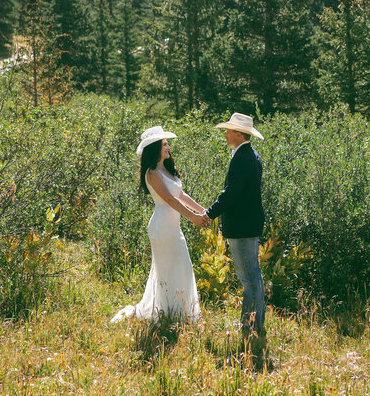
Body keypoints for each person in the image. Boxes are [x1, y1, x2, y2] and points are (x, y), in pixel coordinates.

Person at [111, 125, 208, 324]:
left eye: (167, 143)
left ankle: (179, 311)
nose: (168, 147)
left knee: (182, 264)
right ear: (155, 147)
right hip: (162, 226)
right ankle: (166, 313)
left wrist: (202, 210)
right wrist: (193, 217)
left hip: (173, 226)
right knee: (168, 268)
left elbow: (180, 195)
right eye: (164, 144)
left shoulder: (167, 169)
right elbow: (170, 200)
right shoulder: (152, 173)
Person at [202, 112, 266, 340]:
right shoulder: (251, 155)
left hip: (242, 227)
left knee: (249, 279)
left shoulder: (243, 159)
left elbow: (230, 194)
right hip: (249, 224)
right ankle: (256, 325)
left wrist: (209, 214)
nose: (226, 134)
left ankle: (249, 329)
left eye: (229, 130)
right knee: (254, 277)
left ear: (239, 134)